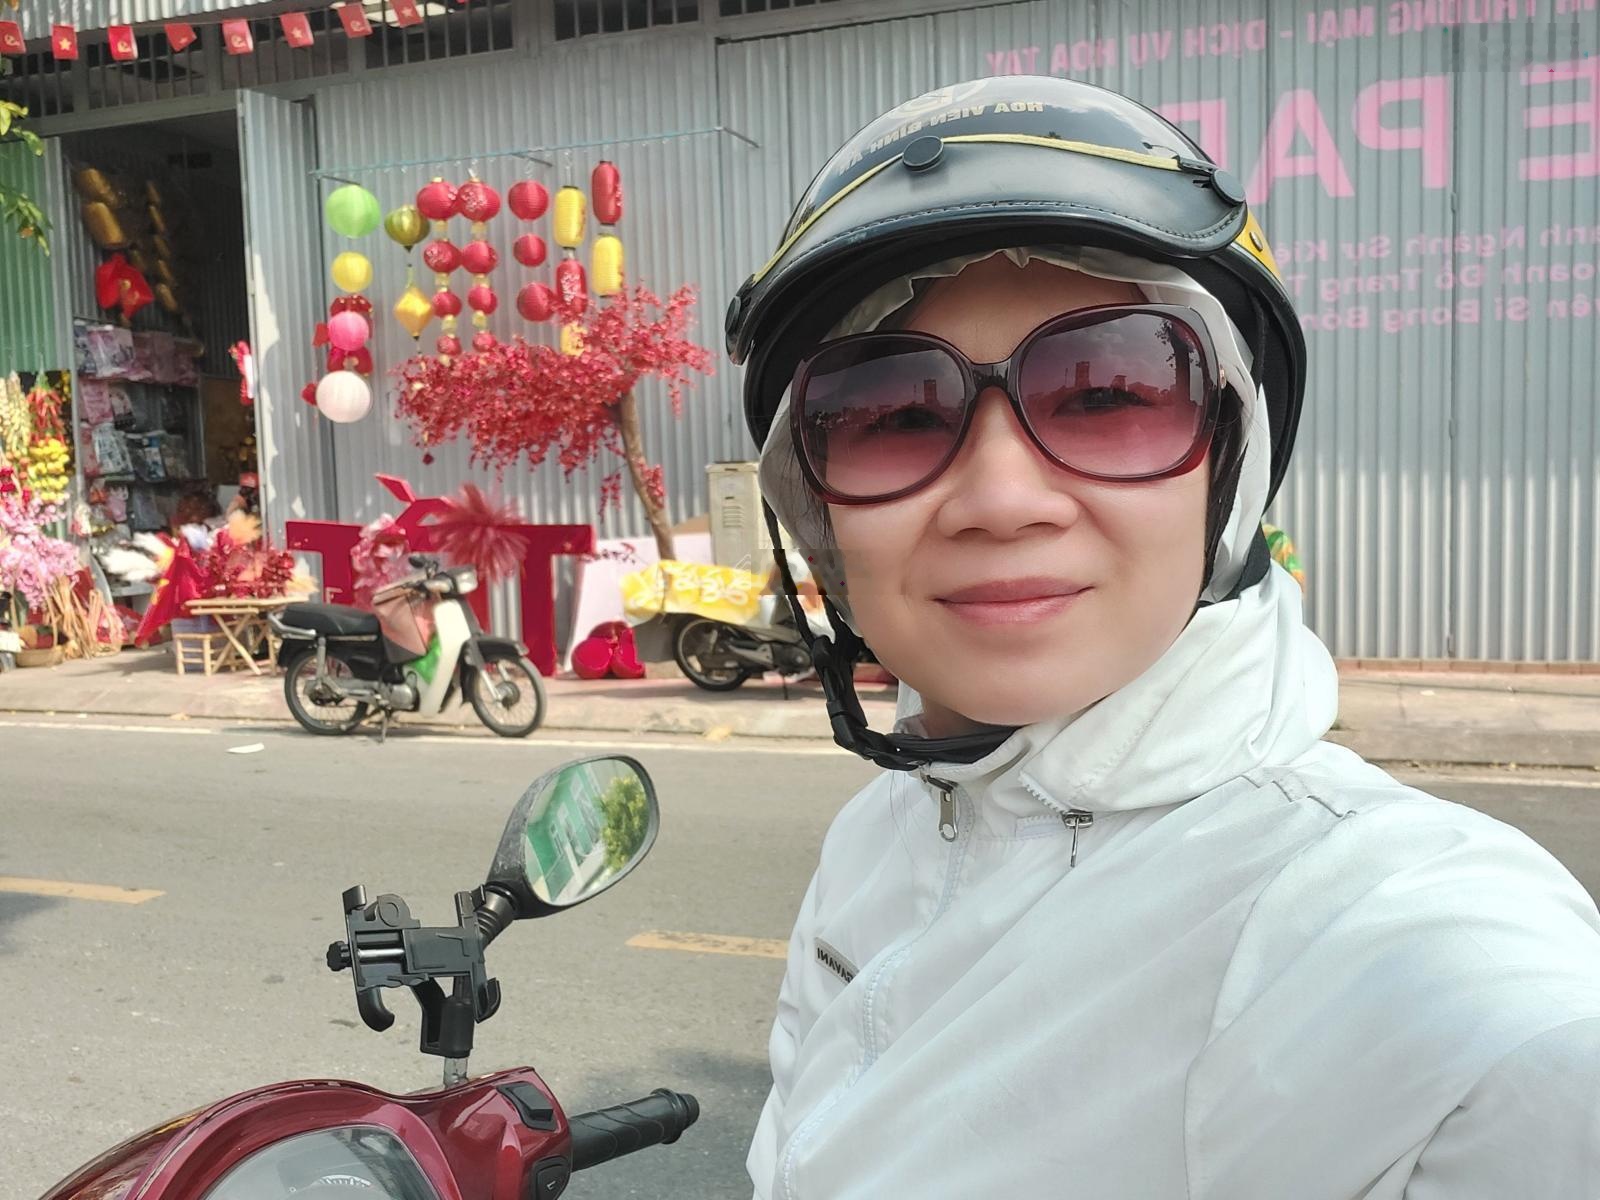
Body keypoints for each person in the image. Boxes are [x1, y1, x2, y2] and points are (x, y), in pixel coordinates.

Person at [724, 76, 1600, 1199]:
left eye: (1108, 394)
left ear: (1227, 467)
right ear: (816, 511)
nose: (1001, 499)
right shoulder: (880, 834)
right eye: (893, 413)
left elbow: (1517, 1044)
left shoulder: (1371, 920)